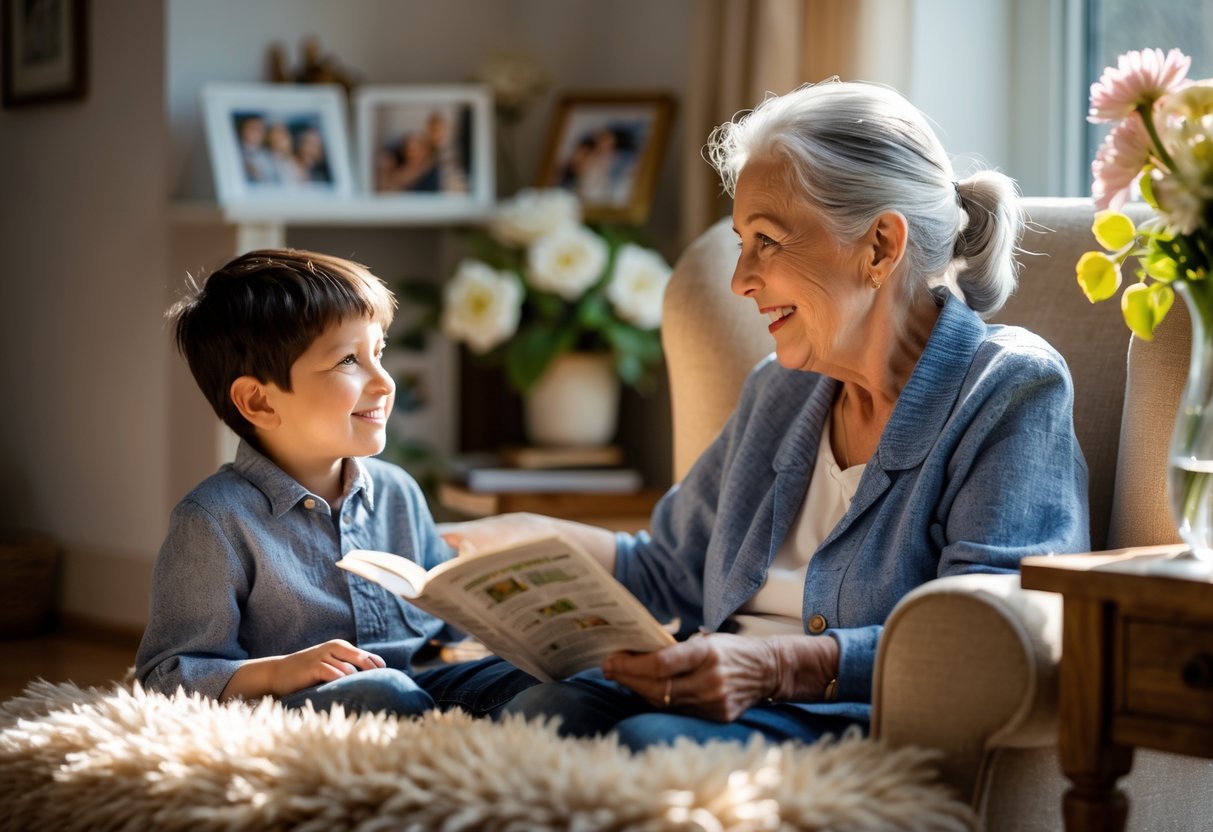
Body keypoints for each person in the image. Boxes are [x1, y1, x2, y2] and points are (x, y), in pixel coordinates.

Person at [440, 78, 1090, 751]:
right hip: (707, 701)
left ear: (879, 247)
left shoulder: (1007, 388)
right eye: (740, 241)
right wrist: (531, 540)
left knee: (646, 743)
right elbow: (669, 570)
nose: (739, 279)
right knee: (527, 707)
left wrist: (774, 665)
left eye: (767, 242)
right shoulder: (779, 392)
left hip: (844, 723)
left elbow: (995, 632)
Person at [134, 249, 538, 716]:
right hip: (308, 703)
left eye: (378, 352)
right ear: (259, 402)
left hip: (421, 685)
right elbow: (168, 676)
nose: (385, 382)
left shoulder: (397, 491)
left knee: (558, 678)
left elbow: (451, 627)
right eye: (349, 360)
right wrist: (280, 671)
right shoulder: (214, 521)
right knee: (383, 691)